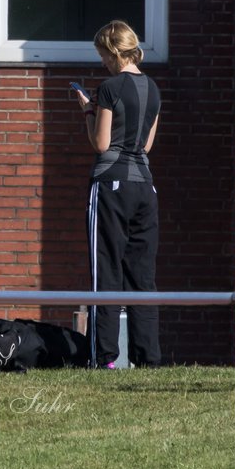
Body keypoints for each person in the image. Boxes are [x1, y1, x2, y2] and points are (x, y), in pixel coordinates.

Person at [73, 20, 161, 368]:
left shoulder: (109, 87)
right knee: (143, 278)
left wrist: (87, 112)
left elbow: (101, 143)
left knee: (105, 272)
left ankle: (105, 357)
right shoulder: (153, 89)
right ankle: (148, 359)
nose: (102, 63)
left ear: (113, 52)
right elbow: (147, 145)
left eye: (102, 55)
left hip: (111, 184)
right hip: (145, 187)